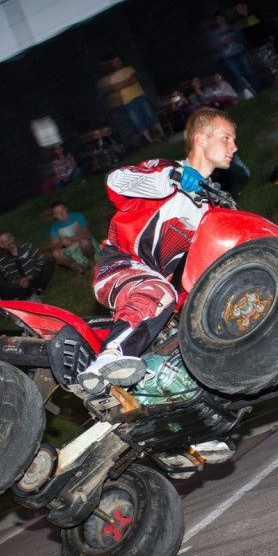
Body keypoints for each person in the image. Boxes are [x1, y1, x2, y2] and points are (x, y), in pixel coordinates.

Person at [78, 107, 237, 394]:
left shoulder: (209, 206)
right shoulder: (164, 169)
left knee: (195, 331)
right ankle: (108, 358)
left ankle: (195, 421)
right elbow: (115, 181)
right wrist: (170, 178)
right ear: (200, 139)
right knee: (161, 292)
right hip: (120, 266)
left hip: (156, 282)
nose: (234, 147)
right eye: (226, 138)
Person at [98, 57, 165, 144]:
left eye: (119, 61)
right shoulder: (101, 81)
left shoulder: (128, 69)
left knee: (150, 115)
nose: (118, 63)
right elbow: (110, 89)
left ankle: (162, 134)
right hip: (126, 102)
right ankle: (150, 140)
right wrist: (126, 81)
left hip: (138, 96)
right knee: (138, 121)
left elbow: (133, 79)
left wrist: (118, 86)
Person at [210, 11, 260, 96]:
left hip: (240, 53)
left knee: (249, 72)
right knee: (238, 76)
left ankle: (258, 91)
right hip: (229, 57)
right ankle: (244, 95)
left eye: (221, 18)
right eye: (218, 19)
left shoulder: (232, 28)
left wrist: (234, 38)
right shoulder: (217, 34)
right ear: (216, 21)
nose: (220, 20)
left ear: (224, 18)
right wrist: (225, 43)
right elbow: (216, 47)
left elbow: (242, 37)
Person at [0, 232, 54, 301]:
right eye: (5, 242)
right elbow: (9, 278)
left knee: (48, 264)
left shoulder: (27, 247)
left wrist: (31, 276)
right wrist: (19, 282)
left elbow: (41, 260)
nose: (9, 242)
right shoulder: (2, 262)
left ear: (12, 238)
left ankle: (38, 290)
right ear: (2, 246)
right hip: (22, 284)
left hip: (35, 276)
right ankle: (26, 294)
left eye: (9, 238)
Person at [49, 202, 99, 276]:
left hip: (86, 247)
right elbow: (54, 247)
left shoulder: (77, 216)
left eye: (63, 210)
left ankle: (92, 263)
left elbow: (87, 233)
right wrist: (62, 243)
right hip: (72, 252)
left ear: (66, 209)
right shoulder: (55, 227)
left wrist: (71, 239)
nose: (62, 214)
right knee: (55, 253)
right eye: (58, 213)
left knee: (84, 241)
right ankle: (79, 268)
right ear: (55, 216)